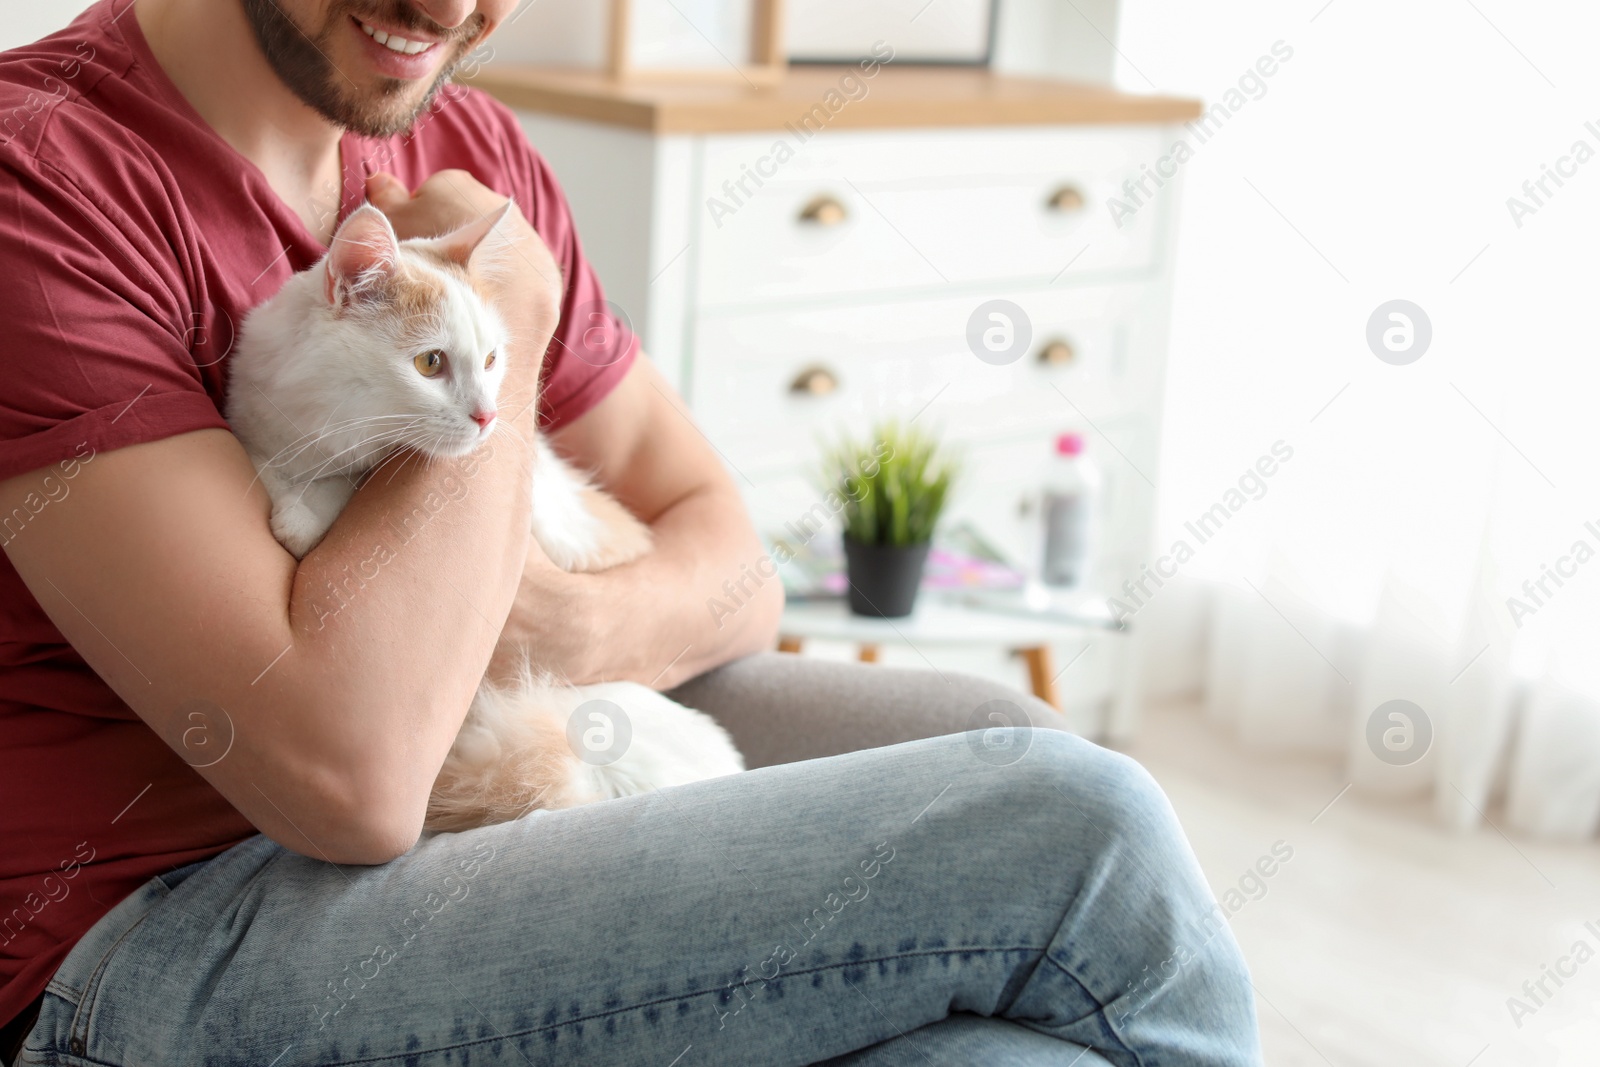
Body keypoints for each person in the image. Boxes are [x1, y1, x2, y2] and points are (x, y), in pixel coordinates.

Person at [0, 2, 1264, 1064]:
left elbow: (731, 568)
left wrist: (560, 617)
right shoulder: (41, 182)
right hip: (146, 940)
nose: (449, 7)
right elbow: (353, 781)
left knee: (1011, 801)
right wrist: (514, 302)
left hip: (516, 758)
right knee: (1070, 823)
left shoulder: (464, 136)